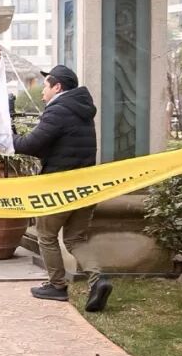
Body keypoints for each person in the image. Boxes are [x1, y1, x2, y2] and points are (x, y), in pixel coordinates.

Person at [13, 64, 110, 312]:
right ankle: (98, 279)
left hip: (59, 187)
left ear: (57, 87)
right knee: (75, 238)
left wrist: (8, 135)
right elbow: (56, 145)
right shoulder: (81, 110)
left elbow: (29, 145)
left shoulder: (59, 110)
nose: (42, 91)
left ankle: (56, 285)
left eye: (46, 86)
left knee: (46, 235)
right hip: (86, 186)